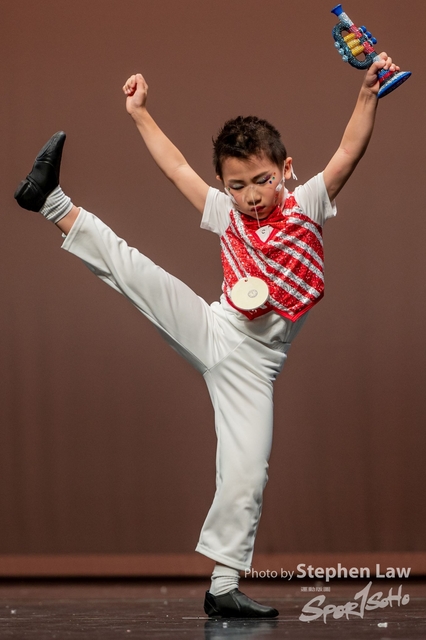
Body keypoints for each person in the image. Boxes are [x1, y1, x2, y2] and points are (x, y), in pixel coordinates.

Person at [14, 52, 399, 618]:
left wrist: (367, 94)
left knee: (247, 472)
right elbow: (176, 169)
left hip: (257, 366)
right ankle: (50, 201)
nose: (252, 195)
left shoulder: (309, 203)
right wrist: (140, 113)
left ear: (287, 168)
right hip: (217, 328)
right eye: (237, 185)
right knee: (137, 273)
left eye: (263, 180)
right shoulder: (227, 213)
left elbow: (347, 151)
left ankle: (222, 587)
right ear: (224, 184)